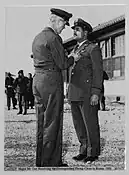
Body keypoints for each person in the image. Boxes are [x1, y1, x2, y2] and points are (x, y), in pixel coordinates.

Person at [32, 8, 74, 167]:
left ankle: (41, 160)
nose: (64, 27)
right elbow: (63, 64)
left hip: (38, 80)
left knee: (42, 122)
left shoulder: (38, 37)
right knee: (53, 122)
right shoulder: (54, 38)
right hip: (51, 82)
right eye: (63, 23)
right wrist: (73, 58)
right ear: (55, 20)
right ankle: (51, 161)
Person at [67, 18, 103, 163]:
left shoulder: (92, 48)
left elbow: (98, 72)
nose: (74, 32)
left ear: (85, 32)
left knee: (90, 123)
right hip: (75, 93)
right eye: (74, 29)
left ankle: (93, 152)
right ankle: (83, 149)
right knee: (79, 124)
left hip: (87, 93)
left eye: (77, 29)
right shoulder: (74, 50)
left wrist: (96, 92)